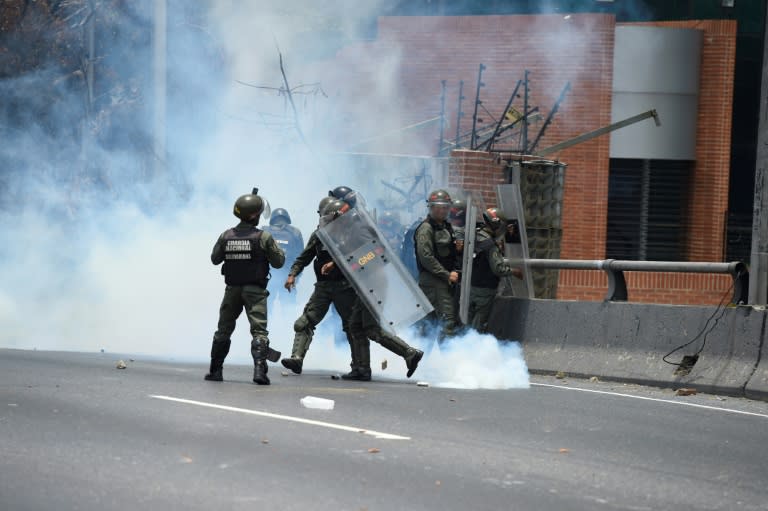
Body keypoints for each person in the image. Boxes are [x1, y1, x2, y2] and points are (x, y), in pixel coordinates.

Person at [321, 198, 424, 381]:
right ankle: (361, 369)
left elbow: (374, 252)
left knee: (371, 328)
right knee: (355, 326)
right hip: (367, 281)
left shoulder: (358, 230)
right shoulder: (351, 229)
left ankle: (409, 353)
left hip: (374, 280)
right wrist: (336, 263)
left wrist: (350, 266)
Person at [205, 192, 286, 385]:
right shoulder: (263, 237)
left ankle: (215, 371)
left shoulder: (226, 235)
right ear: (255, 216)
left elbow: (215, 259)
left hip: (232, 290)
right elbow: (279, 262)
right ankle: (260, 372)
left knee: (223, 330)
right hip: (255, 292)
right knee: (259, 332)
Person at [280, 196, 356, 375]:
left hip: (345, 287)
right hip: (323, 287)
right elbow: (304, 257)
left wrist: (335, 264)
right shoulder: (319, 235)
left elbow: (359, 258)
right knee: (304, 323)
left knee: (353, 327)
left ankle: (360, 366)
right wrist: (292, 275)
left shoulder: (352, 234)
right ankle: (297, 359)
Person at [414, 189, 460, 340]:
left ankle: (424, 359)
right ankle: (447, 360)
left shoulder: (446, 226)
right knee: (447, 323)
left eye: (445, 207)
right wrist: (447, 274)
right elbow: (426, 257)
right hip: (434, 281)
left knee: (430, 324)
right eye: (438, 207)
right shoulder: (426, 228)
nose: (442, 210)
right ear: (431, 207)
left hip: (441, 281)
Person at [467, 207, 523, 333]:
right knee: (478, 327)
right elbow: (498, 269)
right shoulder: (490, 245)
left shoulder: (475, 236)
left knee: (468, 324)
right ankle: (472, 350)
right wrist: (515, 271)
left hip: (471, 287)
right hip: (485, 290)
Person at [262, 208, 304, 311]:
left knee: (265, 309)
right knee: (288, 307)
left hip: (267, 277)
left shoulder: (264, 231)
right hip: (288, 277)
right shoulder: (295, 232)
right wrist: (295, 277)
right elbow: (301, 257)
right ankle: (288, 326)